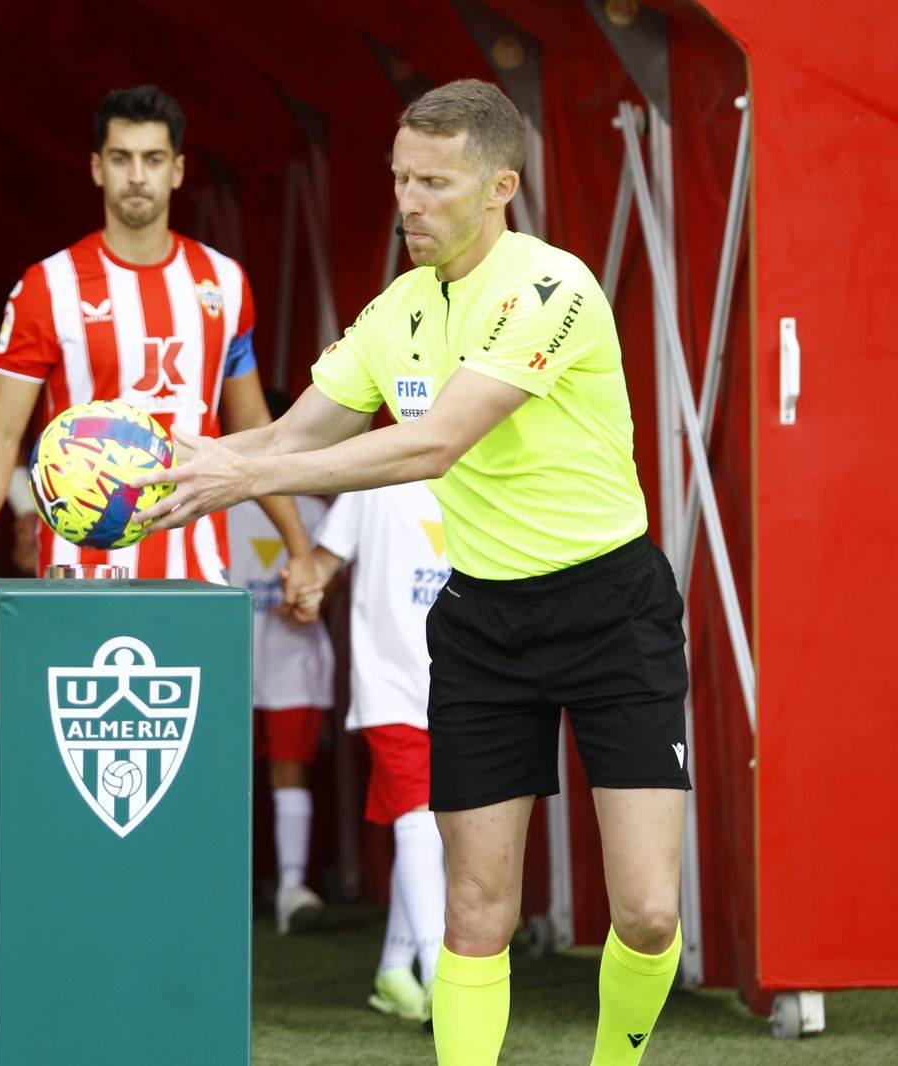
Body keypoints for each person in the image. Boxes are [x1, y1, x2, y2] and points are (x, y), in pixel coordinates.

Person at [139, 80, 690, 1066]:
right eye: (400, 179)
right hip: (481, 620)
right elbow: (296, 432)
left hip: (610, 606)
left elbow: (432, 442)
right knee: (473, 910)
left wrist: (245, 475)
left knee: (648, 911)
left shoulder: (549, 288)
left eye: (434, 183)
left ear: (500, 188)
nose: (408, 202)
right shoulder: (397, 307)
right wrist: (185, 463)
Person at [0, 84, 317, 590]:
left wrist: (298, 549)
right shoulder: (48, 287)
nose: (138, 175)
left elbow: (253, 423)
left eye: (154, 158)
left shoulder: (224, 281)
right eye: (122, 158)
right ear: (97, 167)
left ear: (178, 170)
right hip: (80, 566)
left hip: (196, 565)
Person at [304, 483, 449, 1023]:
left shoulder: (481, 472)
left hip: (464, 686)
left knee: (439, 827)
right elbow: (322, 563)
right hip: (391, 687)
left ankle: (393, 968)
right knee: (421, 821)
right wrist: (303, 586)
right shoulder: (375, 478)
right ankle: (441, 977)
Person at [225, 392, 334, 935]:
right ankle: (224, 888)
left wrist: (308, 599)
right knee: (222, 774)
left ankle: (292, 888)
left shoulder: (311, 510)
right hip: (226, 664)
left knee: (290, 768)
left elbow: (333, 581)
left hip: (294, 662)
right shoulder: (217, 506)